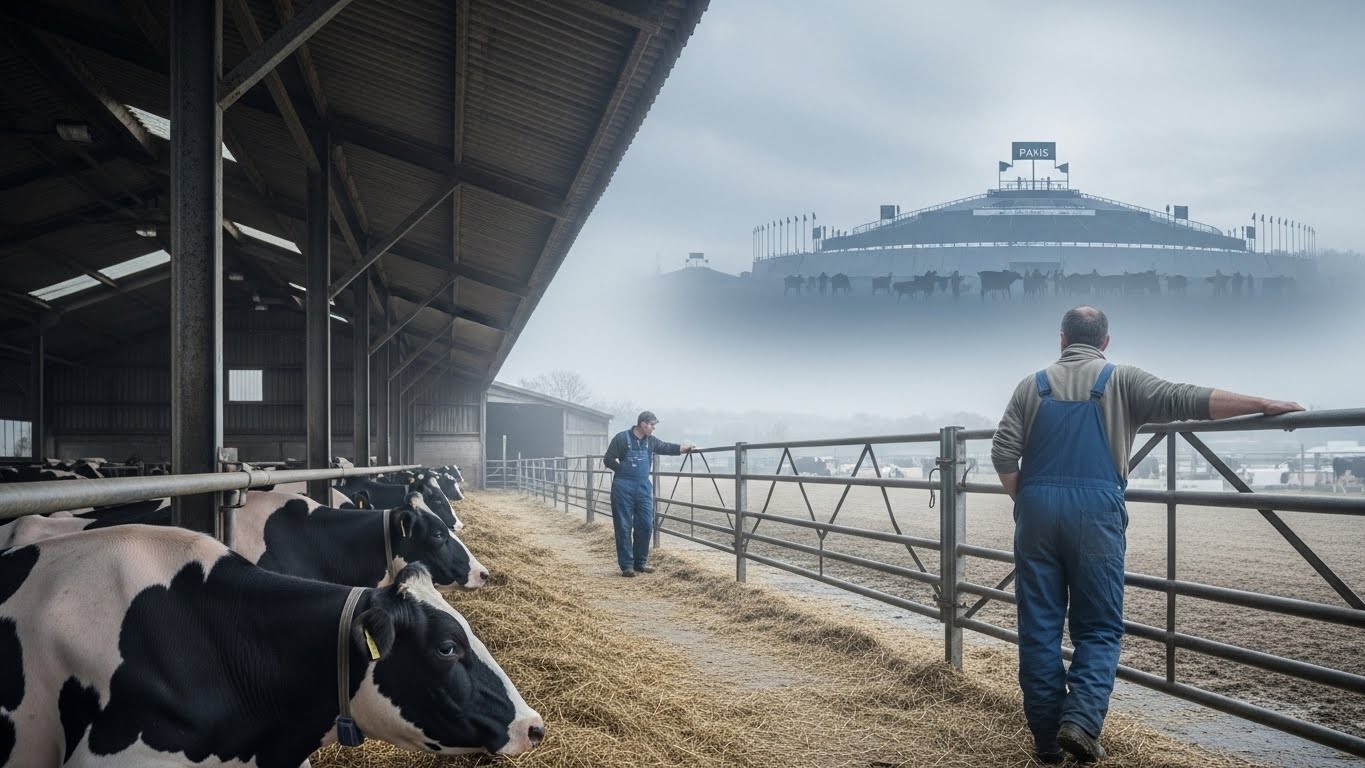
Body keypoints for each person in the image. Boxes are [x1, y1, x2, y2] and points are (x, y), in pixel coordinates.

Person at [991, 306, 1302, 764]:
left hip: (1035, 510)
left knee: (1038, 630)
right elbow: (1188, 398)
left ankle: (1044, 745)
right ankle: (1079, 721)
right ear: (1106, 342)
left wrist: (1028, 500)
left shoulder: (1030, 386)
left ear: (1062, 340)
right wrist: (1263, 403)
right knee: (1098, 627)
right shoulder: (1122, 381)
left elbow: (1002, 453)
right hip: (1096, 513)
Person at [602, 411, 697, 577]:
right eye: (652, 425)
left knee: (646, 524)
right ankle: (627, 566)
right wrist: (622, 469)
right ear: (643, 424)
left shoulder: (651, 442)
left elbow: (667, 447)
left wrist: (686, 449)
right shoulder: (621, 438)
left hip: (643, 486)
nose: (653, 428)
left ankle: (640, 563)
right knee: (623, 526)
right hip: (623, 486)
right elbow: (608, 459)